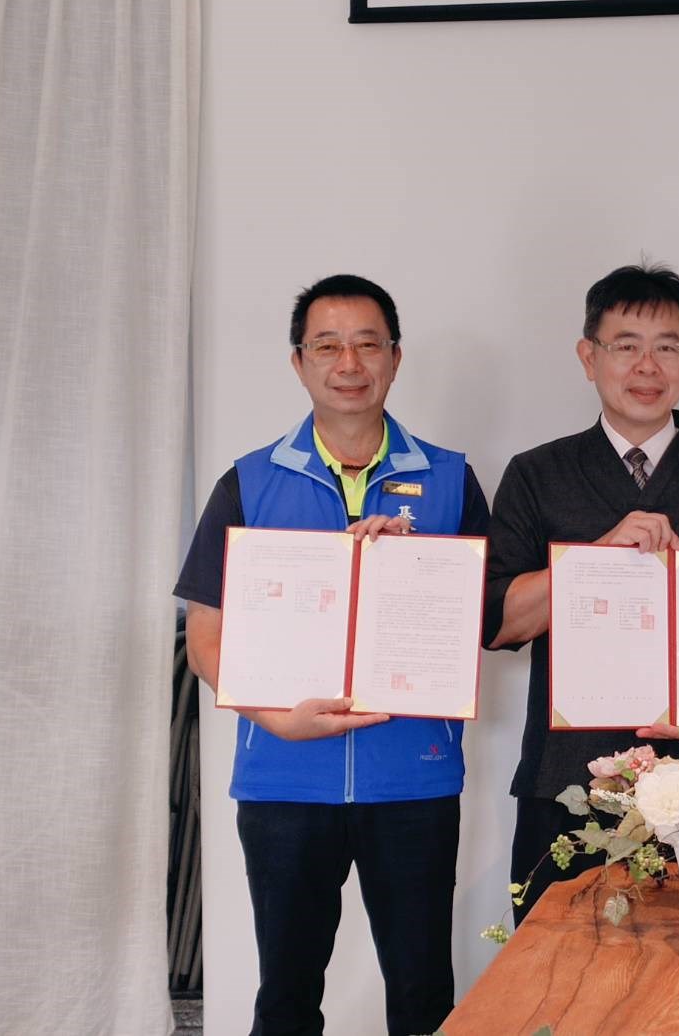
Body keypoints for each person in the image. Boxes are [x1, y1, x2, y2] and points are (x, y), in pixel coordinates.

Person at [175, 275, 490, 1036]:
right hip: (283, 780)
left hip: (410, 781)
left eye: (366, 343)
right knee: (284, 998)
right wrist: (275, 719)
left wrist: (418, 572)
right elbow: (205, 640)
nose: (348, 361)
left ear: (395, 358)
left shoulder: (449, 479)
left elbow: (484, 621)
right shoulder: (248, 482)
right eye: (327, 344)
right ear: (299, 363)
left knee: (421, 996)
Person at [484, 262, 679, 922]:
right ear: (587, 356)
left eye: (667, 346)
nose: (646, 365)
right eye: (625, 345)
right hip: (565, 779)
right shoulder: (537, 475)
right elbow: (499, 623)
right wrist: (595, 560)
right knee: (553, 987)